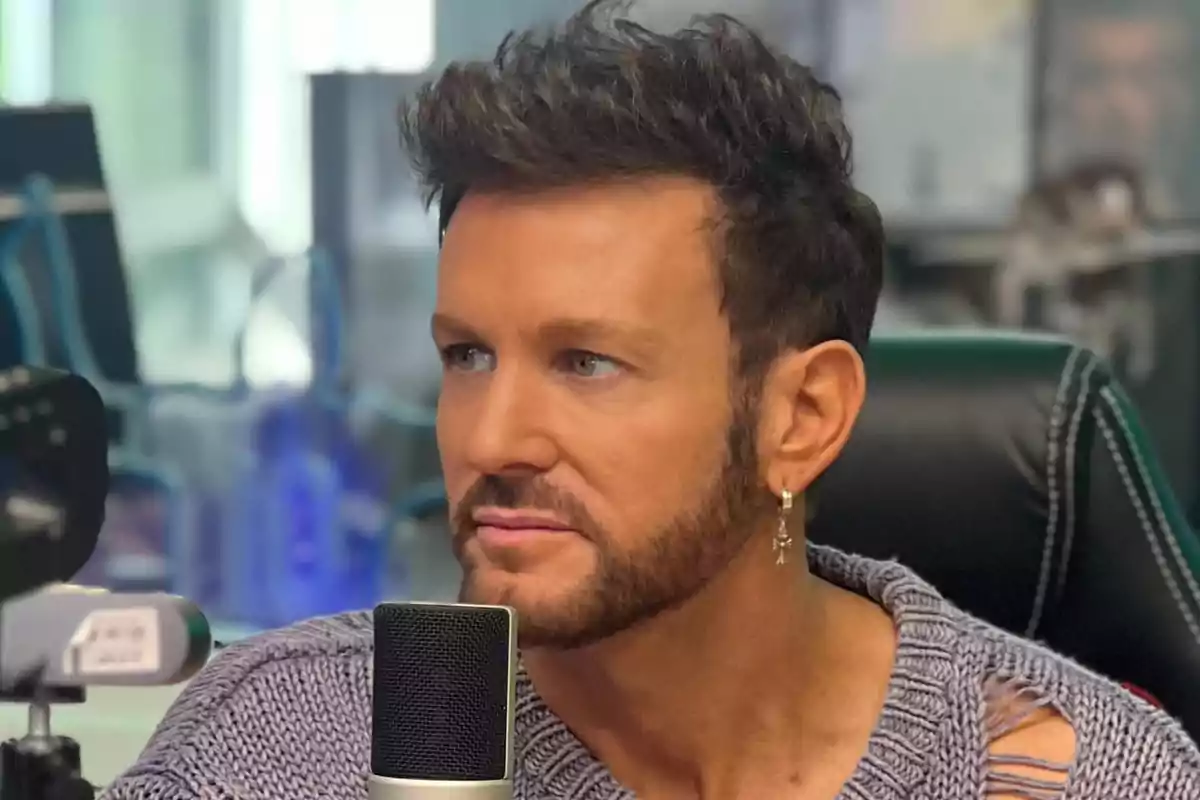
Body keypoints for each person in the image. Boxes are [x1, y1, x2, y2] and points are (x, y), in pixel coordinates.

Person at [104, 3, 1200, 799]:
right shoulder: (276, 747)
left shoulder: (1075, 773)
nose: (490, 437)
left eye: (586, 362)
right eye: (468, 355)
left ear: (802, 416)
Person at [1042, 0, 1197, 216]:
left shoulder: (1184, 221)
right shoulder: (1024, 216)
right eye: (1092, 77)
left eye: (1142, 79)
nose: (1117, 107)